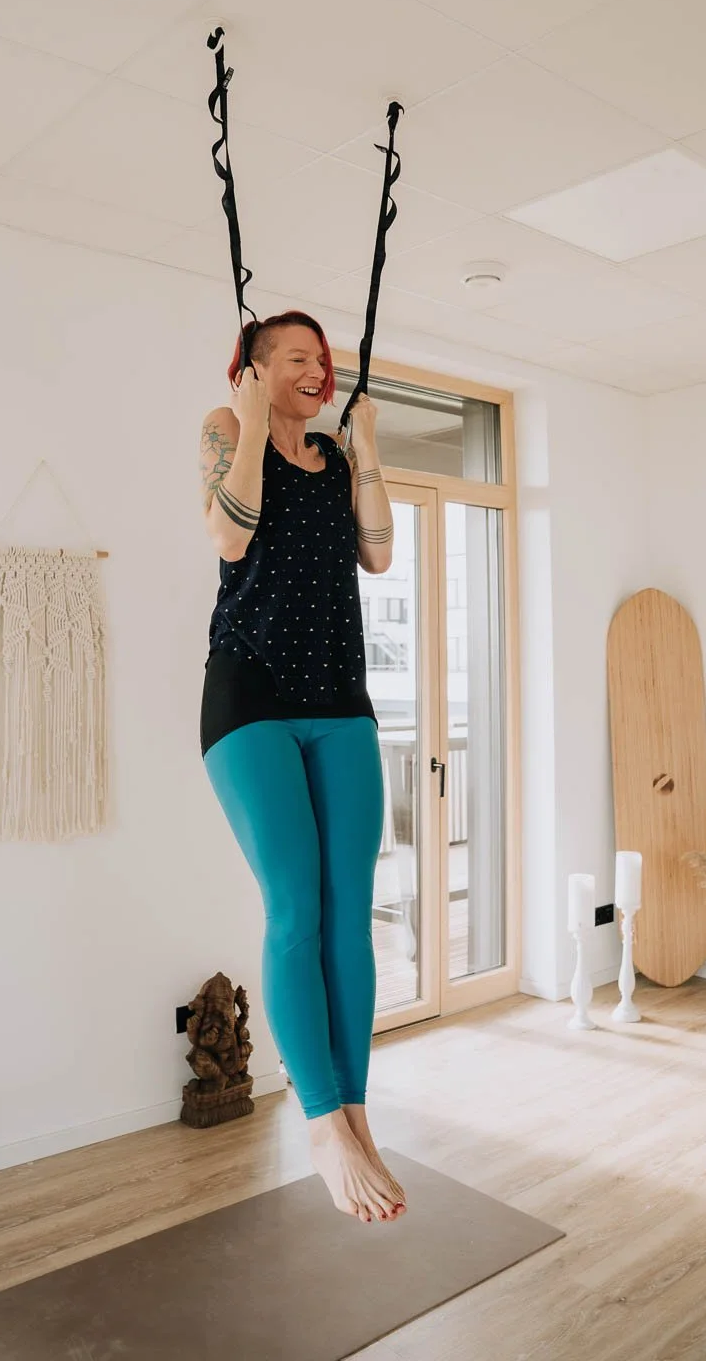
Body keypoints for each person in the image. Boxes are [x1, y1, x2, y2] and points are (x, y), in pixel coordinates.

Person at [198, 310, 407, 1225]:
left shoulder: (336, 454)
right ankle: (319, 1123)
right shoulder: (223, 432)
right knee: (293, 905)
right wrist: (246, 420)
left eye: (323, 360)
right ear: (254, 367)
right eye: (297, 358)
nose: (319, 370)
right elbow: (229, 537)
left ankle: (355, 1113)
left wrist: (364, 445)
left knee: (346, 913)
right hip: (248, 698)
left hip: (339, 702)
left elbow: (378, 551)